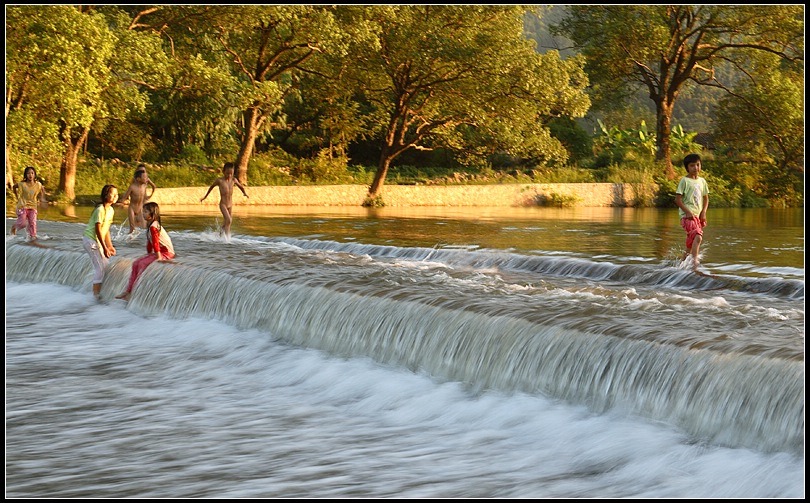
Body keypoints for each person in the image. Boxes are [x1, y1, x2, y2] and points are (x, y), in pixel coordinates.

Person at [116, 201, 175, 301]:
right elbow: (150, 242)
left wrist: (158, 257)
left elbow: (155, 242)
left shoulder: (153, 226)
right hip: (159, 252)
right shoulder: (150, 225)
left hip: (166, 253)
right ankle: (128, 291)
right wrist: (148, 255)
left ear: (152, 214)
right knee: (135, 263)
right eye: (143, 211)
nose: (143, 213)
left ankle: (134, 291)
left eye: (146, 212)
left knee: (141, 264)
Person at [83, 184, 118, 300]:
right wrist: (104, 247)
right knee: (100, 268)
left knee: (106, 265)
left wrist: (110, 246)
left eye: (116, 195)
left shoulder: (111, 210)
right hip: (91, 240)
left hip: (97, 241)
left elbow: (106, 229)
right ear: (106, 195)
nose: (115, 196)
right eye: (112, 194)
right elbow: (98, 230)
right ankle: (95, 296)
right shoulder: (100, 210)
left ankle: (100, 290)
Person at [674, 153, 710, 268]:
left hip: (697, 216)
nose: (695, 168)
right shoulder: (684, 181)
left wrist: (703, 212)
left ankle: (681, 264)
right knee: (698, 236)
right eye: (692, 165)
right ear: (687, 168)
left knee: (690, 244)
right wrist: (687, 212)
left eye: (698, 165)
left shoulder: (702, 181)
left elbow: (706, 199)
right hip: (687, 217)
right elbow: (678, 200)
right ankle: (694, 264)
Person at [200, 161, 249, 238]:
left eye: (231, 174)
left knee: (227, 222)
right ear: (223, 172)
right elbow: (211, 187)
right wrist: (205, 197)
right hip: (223, 204)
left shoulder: (233, 180)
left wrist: (244, 193)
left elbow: (241, 187)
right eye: (227, 173)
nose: (229, 175)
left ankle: (220, 235)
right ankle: (227, 239)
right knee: (229, 220)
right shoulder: (220, 181)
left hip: (230, 205)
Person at [9, 166, 47, 241]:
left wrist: (42, 198)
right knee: (23, 223)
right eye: (28, 173)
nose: (30, 175)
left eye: (32, 173)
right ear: (25, 175)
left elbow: (42, 189)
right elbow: (14, 187)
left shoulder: (38, 184)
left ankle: (32, 238)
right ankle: (14, 227)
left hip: (33, 207)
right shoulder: (22, 184)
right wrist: (17, 196)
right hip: (22, 206)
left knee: (32, 223)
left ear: (34, 175)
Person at [119, 167, 155, 234]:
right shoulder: (132, 187)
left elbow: (153, 186)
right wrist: (121, 203)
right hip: (132, 209)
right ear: (138, 179)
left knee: (144, 228)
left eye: (147, 177)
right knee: (132, 229)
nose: (147, 179)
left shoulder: (144, 186)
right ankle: (128, 241)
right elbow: (124, 197)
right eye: (144, 177)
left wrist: (150, 194)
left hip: (140, 209)